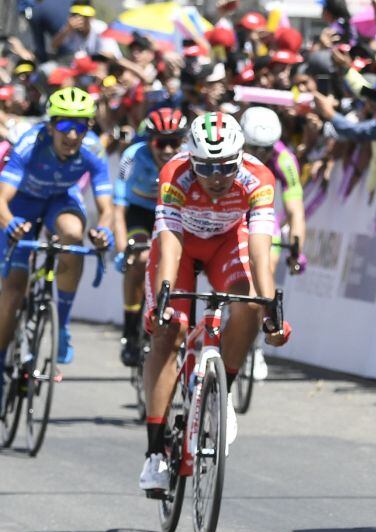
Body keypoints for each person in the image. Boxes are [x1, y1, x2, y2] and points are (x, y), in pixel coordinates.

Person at [139, 112, 291, 492]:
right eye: (206, 167)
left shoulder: (259, 178)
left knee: (251, 302)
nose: (217, 177)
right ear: (191, 159)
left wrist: (271, 304)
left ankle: (223, 393)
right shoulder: (173, 175)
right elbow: (169, 243)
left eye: (225, 166)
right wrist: (164, 298)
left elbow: (260, 250)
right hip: (182, 247)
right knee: (170, 328)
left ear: (240, 159)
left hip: (227, 242)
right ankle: (155, 453)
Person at [0, 87, 115, 381]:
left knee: (74, 236)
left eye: (80, 126)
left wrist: (103, 231)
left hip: (60, 200)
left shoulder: (93, 150)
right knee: (13, 291)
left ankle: (61, 325)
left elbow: (106, 207)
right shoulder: (29, 143)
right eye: (64, 125)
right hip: (22, 204)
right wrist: (10, 223)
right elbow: (2, 197)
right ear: (50, 125)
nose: (73, 135)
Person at [113, 108, 187, 367]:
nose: (167, 150)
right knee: (139, 259)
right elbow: (119, 208)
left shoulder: (189, 160)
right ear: (149, 140)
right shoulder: (132, 156)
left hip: (175, 215)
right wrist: (123, 250)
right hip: (140, 214)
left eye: (174, 142)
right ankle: (130, 330)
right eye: (161, 142)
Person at [240, 106, 308, 381]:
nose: (259, 155)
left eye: (265, 149)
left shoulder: (284, 158)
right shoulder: (231, 150)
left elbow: (295, 209)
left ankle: (254, 343)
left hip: (262, 220)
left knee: (264, 273)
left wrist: (296, 247)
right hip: (229, 218)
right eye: (253, 148)